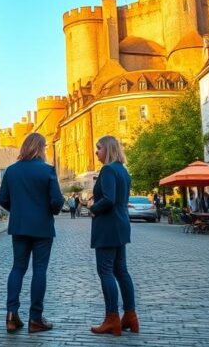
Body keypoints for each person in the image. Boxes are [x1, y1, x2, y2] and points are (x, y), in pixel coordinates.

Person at [0, 133, 64, 334]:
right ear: (41, 148)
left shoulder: (11, 171)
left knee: (18, 268)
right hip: (42, 226)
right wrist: (50, 211)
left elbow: (2, 198)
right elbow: (57, 200)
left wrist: (17, 210)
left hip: (19, 226)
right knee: (40, 270)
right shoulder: (47, 171)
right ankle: (35, 318)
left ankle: (11, 315)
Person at [89, 135, 138, 336]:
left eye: (98, 148)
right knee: (121, 271)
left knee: (106, 271)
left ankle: (112, 318)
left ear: (107, 149)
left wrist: (93, 208)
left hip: (107, 227)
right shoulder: (123, 171)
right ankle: (130, 316)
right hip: (121, 225)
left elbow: (109, 199)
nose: (96, 152)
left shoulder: (108, 170)